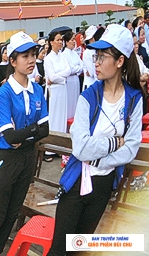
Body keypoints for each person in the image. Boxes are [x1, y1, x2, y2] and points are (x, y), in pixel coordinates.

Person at [49, 24, 146, 256]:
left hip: (103, 183)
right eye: (96, 56)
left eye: (103, 57)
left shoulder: (134, 99)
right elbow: (81, 148)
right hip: (77, 179)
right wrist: (114, 142)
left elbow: (131, 148)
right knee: (59, 249)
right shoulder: (88, 97)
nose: (96, 62)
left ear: (120, 61)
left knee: (80, 247)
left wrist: (100, 160)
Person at [0, 32, 49, 256]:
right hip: (8, 159)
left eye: (33, 55)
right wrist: (31, 131)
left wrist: (24, 134)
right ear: (12, 60)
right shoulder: (5, 92)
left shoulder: (37, 89)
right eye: (25, 56)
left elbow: (45, 130)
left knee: (13, 212)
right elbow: (9, 137)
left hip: (28, 157)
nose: (31, 60)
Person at [44, 27, 72, 160]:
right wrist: (62, 78)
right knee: (54, 118)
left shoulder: (63, 56)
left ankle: (60, 147)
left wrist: (59, 77)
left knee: (62, 117)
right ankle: (50, 148)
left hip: (62, 89)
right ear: (51, 42)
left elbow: (69, 70)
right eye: (58, 40)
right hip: (54, 91)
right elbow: (51, 77)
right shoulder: (48, 58)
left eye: (61, 40)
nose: (60, 42)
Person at [63, 30, 84, 120]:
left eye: (74, 39)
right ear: (67, 42)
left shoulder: (75, 53)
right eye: (72, 40)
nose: (74, 41)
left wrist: (77, 69)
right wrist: (77, 69)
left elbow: (82, 65)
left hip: (76, 79)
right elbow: (70, 69)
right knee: (70, 101)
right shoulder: (64, 54)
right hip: (69, 80)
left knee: (76, 100)